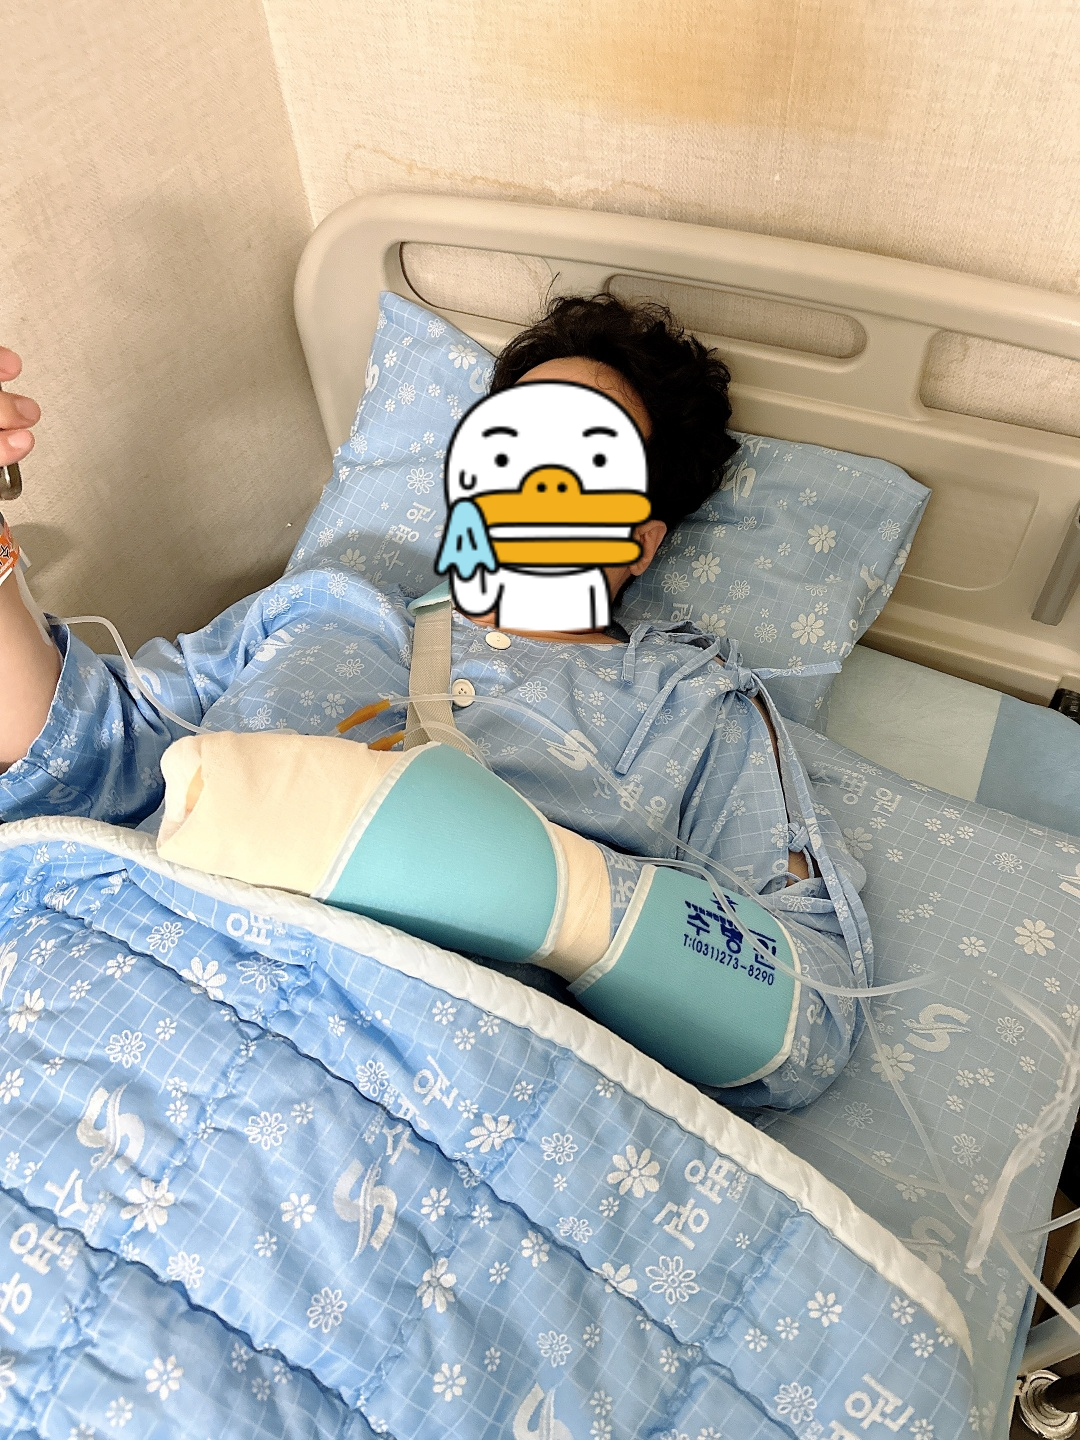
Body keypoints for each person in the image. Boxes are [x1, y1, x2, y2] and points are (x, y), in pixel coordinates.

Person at [0, 299, 872, 1108]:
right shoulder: (322, 606)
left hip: (395, 1088)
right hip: (88, 993)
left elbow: (812, 1018)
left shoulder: (689, 704)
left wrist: (560, 899)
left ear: (640, 541)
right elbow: (75, 759)